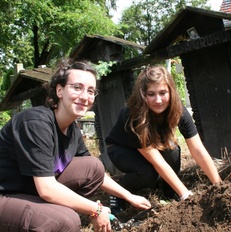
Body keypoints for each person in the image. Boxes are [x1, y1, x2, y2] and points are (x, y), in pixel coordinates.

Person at [0, 59, 151, 232]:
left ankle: (49, 214)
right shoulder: (35, 123)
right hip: (6, 195)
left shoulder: (72, 129)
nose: (85, 96)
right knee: (66, 221)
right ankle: (49, 219)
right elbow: (47, 189)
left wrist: (129, 196)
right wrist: (95, 209)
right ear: (59, 90)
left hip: (28, 189)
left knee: (93, 166)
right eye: (77, 87)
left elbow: (97, 175)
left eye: (90, 91)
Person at [106, 65, 222, 213]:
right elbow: (157, 161)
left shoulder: (178, 109)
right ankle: (117, 192)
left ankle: (169, 190)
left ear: (170, 92)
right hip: (121, 149)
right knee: (148, 173)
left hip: (152, 145)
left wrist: (218, 186)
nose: (158, 100)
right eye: (151, 94)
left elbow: (198, 149)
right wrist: (186, 194)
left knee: (172, 151)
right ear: (143, 94)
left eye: (163, 93)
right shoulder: (133, 115)